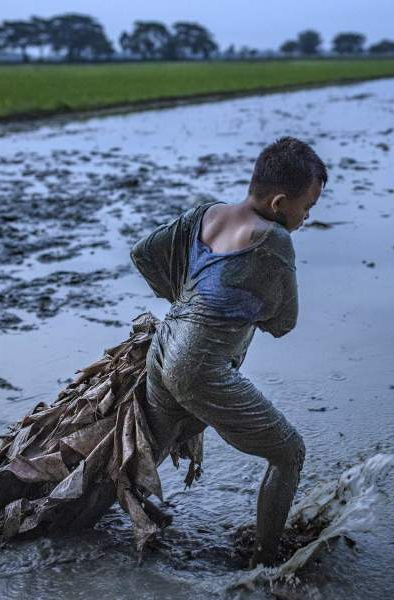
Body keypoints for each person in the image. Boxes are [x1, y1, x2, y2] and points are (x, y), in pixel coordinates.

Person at [130, 136, 328, 567]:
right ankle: (265, 565)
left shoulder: (206, 213)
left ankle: (81, 523)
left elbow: (144, 253)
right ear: (278, 203)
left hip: (164, 349)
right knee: (288, 452)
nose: (307, 217)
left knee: (149, 457)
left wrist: (186, 298)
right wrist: (226, 308)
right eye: (307, 208)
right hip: (198, 368)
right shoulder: (274, 240)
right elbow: (283, 322)